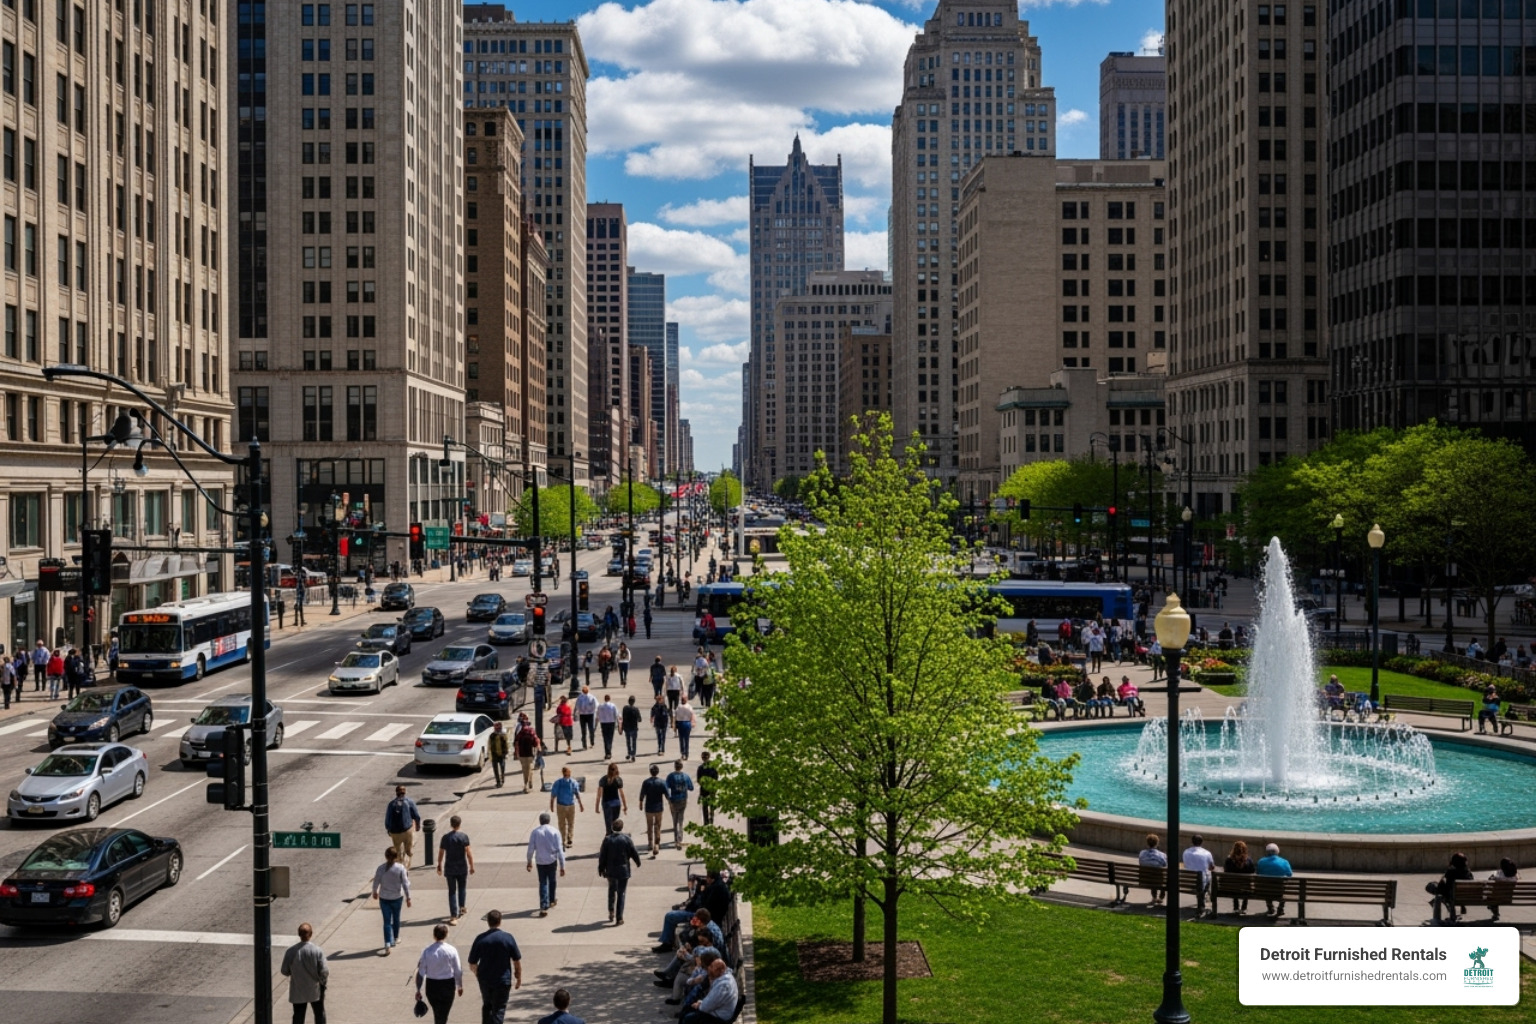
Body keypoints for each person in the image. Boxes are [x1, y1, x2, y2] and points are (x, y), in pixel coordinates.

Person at [467, 909, 522, 1024]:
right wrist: (518, 977)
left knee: (487, 1006)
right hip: (502, 981)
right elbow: (516, 961)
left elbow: (472, 963)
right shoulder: (508, 938)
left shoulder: (480, 939)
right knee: (499, 1009)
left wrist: (478, 975)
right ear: (500, 921)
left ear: (488, 921)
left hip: (485, 980)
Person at [280, 922, 329, 1024]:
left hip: (298, 989)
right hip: (315, 988)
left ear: (299, 934)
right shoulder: (317, 950)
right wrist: (322, 982)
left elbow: (284, 971)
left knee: (298, 1015)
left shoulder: (291, 951)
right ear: (311, 934)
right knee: (319, 1013)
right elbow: (324, 971)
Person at [597, 817, 642, 925]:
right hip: (623, 871)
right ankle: (619, 917)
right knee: (621, 893)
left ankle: (611, 910)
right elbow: (633, 852)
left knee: (611, 890)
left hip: (611, 871)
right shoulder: (626, 839)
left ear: (612, 827)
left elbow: (602, 855)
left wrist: (601, 868)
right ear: (622, 828)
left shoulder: (607, 840)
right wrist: (638, 862)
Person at [414, 923, 463, 1024]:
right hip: (448, 985)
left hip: (432, 986)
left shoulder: (427, 951)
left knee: (438, 1012)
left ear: (434, 935)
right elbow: (457, 970)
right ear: (446, 934)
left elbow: (421, 973)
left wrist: (418, 989)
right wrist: (459, 986)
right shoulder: (452, 950)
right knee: (444, 1013)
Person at [371, 846, 413, 952]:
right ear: (396, 857)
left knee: (386, 921)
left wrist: (375, 891)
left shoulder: (380, 868)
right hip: (397, 897)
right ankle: (395, 937)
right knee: (396, 918)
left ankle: (387, 943)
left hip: (384, 897)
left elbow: (376, 881)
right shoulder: (400, 868)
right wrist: (408, 898)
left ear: (386, 856)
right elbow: (405, 884)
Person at [525, 811, 566, 917]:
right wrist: (562, 866)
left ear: (540, 821)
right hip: (552, 860)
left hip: (540, 861)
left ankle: (544, 906)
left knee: (543, 882)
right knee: (552, 880)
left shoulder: (535, 832)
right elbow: (560, 850)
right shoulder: (555, 832)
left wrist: (529, 861)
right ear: (549, 821)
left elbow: (530, 849)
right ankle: (551, 900)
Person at [436, 815, 474, 924]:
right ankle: (462, 906)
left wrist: (439, 864)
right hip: (462, 866)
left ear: (451, 824)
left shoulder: (446, 838)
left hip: (450, 867)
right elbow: (468, 853)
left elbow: (441, 852)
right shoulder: (464, 837)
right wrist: (471, 866)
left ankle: (453, 915)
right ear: (460, 824)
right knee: (462, 887)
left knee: (452, 891)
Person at [679, 957, 739, 1024]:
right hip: (715, 1011)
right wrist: (700, 1003)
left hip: (719, 1018)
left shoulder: (723, 985)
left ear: (721, 970)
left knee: (688, 1018)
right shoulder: (723, 978)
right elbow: (712, 1001)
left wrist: (699, 1005)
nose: (709, 969)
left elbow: (706, 1007)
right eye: (710, 966)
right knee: (686, 1009)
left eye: (712, 967)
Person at [1427, 851, 1473, 923]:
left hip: (1451, 897)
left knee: (1431, 886)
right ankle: (1459, 907)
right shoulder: (1468, 873)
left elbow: (1443, 888)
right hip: (1466, 897)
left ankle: (1439, 906)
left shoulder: (1451, 872)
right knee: (1448, 892)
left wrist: (1445, 874)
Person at [386, 785, 423, 868]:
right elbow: (416, 816)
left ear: (396, 793)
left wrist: (388, 829)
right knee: (408, 850)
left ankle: (399, 866)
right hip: (407, 830)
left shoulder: (391, 804)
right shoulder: (409, 801)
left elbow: (387, 819)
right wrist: (417, 826)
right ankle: (407, 866)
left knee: (397, 851)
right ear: (405, 792)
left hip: (395, 832)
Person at [1255, 842, 1295, 920]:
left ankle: (1270, 907)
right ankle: (1280, 908)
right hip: (1279, 891)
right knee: (1284, 884)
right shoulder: (1284, 862)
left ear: (1267, 852)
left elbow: (1258, 873)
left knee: (1266, 883)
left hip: (1264, 891)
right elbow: (1289, 875)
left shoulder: (1261, 861)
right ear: (1277, 852)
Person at [549, 764, 584, 848]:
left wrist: (580, 804)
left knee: (570, 823)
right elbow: (553, 795)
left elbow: (577, 793)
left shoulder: (573, 782)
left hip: (570, 805)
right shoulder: (558, 783)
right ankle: (563, 839)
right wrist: (551, 805)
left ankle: (569, 838)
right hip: (561, 805)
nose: (568, 775)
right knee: (562, 824)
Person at [1181, 834, 1216, 917]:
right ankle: (1203, 904)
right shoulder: (1207, 853)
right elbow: (1212, 867)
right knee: (1206, 877)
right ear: (1202, 842)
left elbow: (1186, 865)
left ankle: (1203, 901)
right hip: (1200, 882)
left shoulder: (1186, 852)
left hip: (1188, 881)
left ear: (1192, 842)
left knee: (1201, 879)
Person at [639, 763, 669, 857]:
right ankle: (657, 843)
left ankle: (650, 843)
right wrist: (670, 803)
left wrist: (640, 803)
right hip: (659, 807)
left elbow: (642, 794)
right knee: (658, 826)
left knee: (649, 826)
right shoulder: (662, 782)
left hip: (649, 807)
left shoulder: (646, 782)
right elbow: (667, 795)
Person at [665, 760, 695, 850]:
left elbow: (666, 788)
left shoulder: (670, 776)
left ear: (675, 767)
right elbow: (691, 788)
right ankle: (680, 838)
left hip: (674, 800)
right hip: (683, 799)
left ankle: (675, 838)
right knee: (681, 819)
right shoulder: (686, 776)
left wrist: (668, 799)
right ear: (681, 767)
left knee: (674, 819)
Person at [1222, 840, 1256, 916]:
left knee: (1233, 883)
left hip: (1232, 888)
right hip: (1246, 887)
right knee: (1246, 883)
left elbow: (1226, 871)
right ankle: (1244, 908)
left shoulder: (1229, 860)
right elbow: (1253, 872)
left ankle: (1236, 907)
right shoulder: (1248, 860)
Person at [595, 761, 627, 836]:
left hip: (607, 803)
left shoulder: (603, 780)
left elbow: (599, 795)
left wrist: (596, 806)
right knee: (615, 822)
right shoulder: (618, 780)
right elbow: (622, 794)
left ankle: (609, 838)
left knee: (608, 824)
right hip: (616, 803)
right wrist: (625, 806)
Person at [1484, 858, 1520, 922]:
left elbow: (1489, 880)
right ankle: (1493, 909)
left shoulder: (1498, 875)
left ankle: (1495, 913)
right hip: (1508, 898)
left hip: (1497, 897)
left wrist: (1492, 877)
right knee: (1494, 896)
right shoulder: (1515, 876)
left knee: (1491, 898)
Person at [513, 716, 542, 793]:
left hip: (522, 755)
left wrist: (516, 753)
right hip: (530, 754)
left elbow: (515, 743)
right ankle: (528, 783)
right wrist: (539, 748)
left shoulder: (519, 733)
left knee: (525, 770)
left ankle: (526, 784)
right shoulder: (532, 732)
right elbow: (536, 742)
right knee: (530, 769)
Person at [1138, 833, 1168, 906]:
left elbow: (1140, 862)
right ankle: (1161, 897)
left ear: (1147, 843)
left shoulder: (1142, 853)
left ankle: (1154, 897)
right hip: (1158, 880)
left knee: (1152, 873)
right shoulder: (1162, 855)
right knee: (1162, 875)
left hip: (1144, 880)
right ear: (1157, 843)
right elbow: (1164, 864)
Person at [697, 750, 719, 826]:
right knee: (712, 804)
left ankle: (706, 821)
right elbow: (716, 778)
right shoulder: (713, 767)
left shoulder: (700, 768)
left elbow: (698, 780)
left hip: (704, 789)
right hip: (712, 788)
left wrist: (703, 785)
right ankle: (711, 817)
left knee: (705, 806)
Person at [596, 693, 619, 759]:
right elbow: (616, 714)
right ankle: (609, 751)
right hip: (611, 722)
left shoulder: (600, 706)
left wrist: (598, 720)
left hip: (603, 723)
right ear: (609, 699)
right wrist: (617, 723)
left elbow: (598, 714)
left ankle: (607, 752)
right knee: (610, 738)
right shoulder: (612, 706)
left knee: (605, 738)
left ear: (604, 699)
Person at [487, 721, 510, 788]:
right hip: (494, 755)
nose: (497, 729)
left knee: (502, 768)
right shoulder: (492, 735)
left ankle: (502, 779)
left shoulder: (503, 735)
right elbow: (489, 745)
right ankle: (498, 782)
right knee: (496, 769)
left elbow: (507, 744)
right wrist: (489, 754)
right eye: (496, 727)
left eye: (498, 727)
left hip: (502, 755)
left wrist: (506, 753)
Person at [621, 695, 642, 761]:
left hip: (627, 727)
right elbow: (640, 719)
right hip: (634, 727)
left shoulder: (625, 708)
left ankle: (629, 752)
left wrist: (622, 726)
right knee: (634, 741)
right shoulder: (636, 709)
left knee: (628, 741)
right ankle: (633, 754)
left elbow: (623, 717)